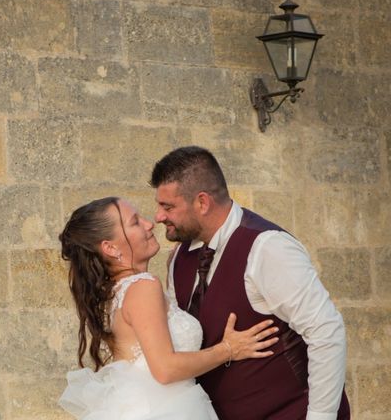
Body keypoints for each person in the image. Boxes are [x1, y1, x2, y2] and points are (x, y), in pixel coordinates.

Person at [150, 146, 350, 420]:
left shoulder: (267, 247)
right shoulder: (178, 260)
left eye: (168, 207)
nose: (158, 217)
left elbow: (326, 332)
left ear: (202, 202)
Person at [58, 196, 279, 420]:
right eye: (135, 222)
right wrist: (229, 349)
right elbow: (165, 369)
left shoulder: (115, 292)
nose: (149, 223)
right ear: (110, 247)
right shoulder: (143, 287)